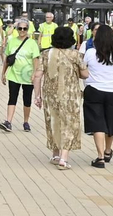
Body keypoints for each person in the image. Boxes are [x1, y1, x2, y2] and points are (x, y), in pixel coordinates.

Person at [33, 25, 86, 168]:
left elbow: (37, 76)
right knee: (69, 123)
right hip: (70, 95)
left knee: (53, 121)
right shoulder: (76, 55)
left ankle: (55, 154)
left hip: (50, 94)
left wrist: (37, 96)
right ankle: (64, 158)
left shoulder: (45, 54)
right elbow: (85, 74)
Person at [82, 23, 113, 168]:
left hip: (94, 90)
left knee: (97, 123)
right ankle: (108, 151)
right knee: (110, 122)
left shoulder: (90, 53)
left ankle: (100, 157)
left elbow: (83, 70)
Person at [0, 18, 41, 133]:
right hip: (13, 74)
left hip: (27, 76)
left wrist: (34, 73)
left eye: (24, 28)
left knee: (27, 100)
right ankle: (8, 122)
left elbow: (36, 59)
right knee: (12, 98)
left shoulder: (32, 43)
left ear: (28, 30)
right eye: (20, 28)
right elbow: (7, 58)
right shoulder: (12, 41)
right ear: (16, 29)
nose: (22, 30)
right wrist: (3, 73)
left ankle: (26, 121)